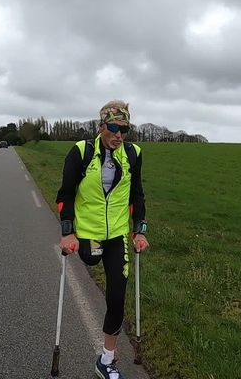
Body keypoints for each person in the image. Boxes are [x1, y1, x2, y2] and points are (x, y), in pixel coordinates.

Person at [56, 100, 149, 379]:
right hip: (89, 233)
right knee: (90, 257)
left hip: (118, 235)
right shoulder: (81, 152)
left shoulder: (133, 154)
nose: (119, 135)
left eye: (124, 129)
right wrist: (68, 232)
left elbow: (138, 195)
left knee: (117, 295)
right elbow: (66, 194)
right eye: (113, 127)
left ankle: (107, 358)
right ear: (101, 127)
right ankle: (88, 248)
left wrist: (140, 229)